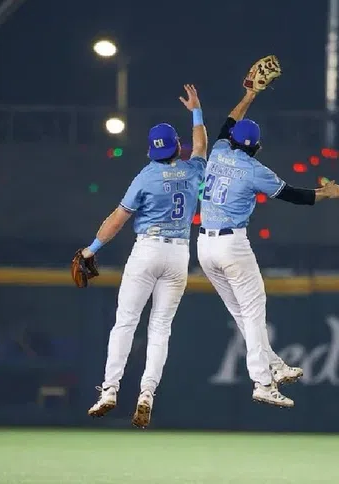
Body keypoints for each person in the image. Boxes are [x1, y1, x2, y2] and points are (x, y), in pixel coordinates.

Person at [198, 87, 339, 408]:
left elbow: (229, 121)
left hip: (204, 246)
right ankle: (263, 382)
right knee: (253, 313)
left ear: (232, 139)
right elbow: (293, 195)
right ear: (256, 147)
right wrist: (326, 192)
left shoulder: (219, 150)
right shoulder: (254, 170)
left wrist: (249, 95)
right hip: (232, 245)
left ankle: (274, 365)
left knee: (241, 314)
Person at [83, 85, 208, 428]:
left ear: (152, 150)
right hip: (179, 253)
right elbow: (201, 146)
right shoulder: (191, 170)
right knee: (160, 328)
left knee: (126, 322)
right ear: (176, 147)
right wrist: (196, 111)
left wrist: (91, 249)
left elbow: (117, 220)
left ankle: (110, 390)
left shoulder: (146, 176)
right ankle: (147, 393)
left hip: (147, 249)